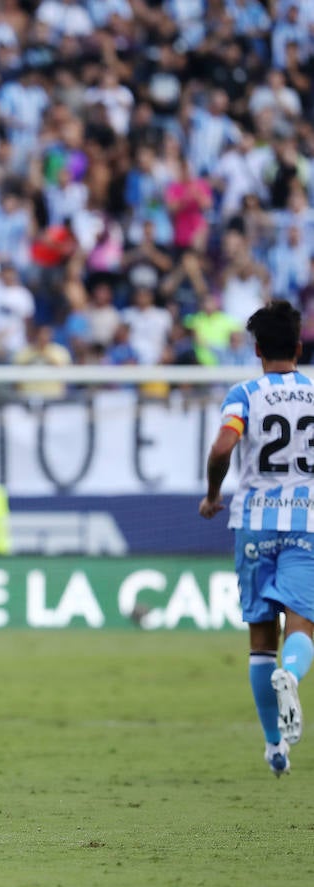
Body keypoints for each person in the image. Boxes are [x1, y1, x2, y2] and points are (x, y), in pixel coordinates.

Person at [200, 300, 313, 777]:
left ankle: (274, 747)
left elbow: (224, 445)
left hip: (254, 523)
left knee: (260, 640)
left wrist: (212, 494)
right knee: (302, 628)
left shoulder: (244, 394)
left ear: (258, 349)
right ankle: (294, 674)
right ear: (299, 346)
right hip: (307, 522)